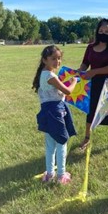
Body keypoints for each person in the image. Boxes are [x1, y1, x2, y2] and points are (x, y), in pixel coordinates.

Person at [32, 45, 78, 184]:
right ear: (44, 60)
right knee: (61, 143)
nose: (57, 61)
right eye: (53, 58)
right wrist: (74, 82)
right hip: (55, 113)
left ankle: (50, 173)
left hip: (48, 112)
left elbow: (58, 91)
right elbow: (68, 91)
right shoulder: (50, 76)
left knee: (50, 145)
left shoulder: (44, 73)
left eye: (59, 58)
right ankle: (61, 175)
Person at [78, 18, 108, 150]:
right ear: (97, 31)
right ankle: (86, 138)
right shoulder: (90, 47)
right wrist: (79, 71)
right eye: (101, 30)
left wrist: (94, 72)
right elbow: (85, 62)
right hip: (93, 84)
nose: (103, 33)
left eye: (107, 31)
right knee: (90, 111)